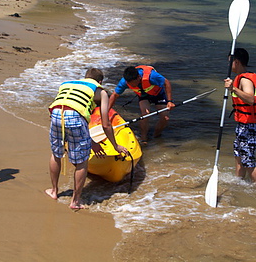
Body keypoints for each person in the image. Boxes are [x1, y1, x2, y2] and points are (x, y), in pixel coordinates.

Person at [45, 68, 127, 210]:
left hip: (56, 113)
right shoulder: (100, 91)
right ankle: (75, 201)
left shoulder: (68, 84)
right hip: (75, 116)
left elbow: (66, 104)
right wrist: (116, 146)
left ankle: (54, 191)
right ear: (100, 81)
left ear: (85, 77)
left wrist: (90, 140)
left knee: (56, 154)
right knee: (81, 162)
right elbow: (106, 124)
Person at [224, 48, 256, 187]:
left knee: (248, 162)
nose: (229, 66)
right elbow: (253, 104)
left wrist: (233, 89)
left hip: (249, 127)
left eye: (230, 62)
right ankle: (238, 185)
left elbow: (250, 99)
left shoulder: (245, 79)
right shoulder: (244, 77)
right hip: (245, 124)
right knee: (239, 157)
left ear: (236, 62)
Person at [109, 65, 175, 143]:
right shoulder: (124, 81)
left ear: (138, 78)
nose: (130, 85)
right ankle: (144, 138)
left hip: (158, 94)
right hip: (143, 96)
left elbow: (166, 83)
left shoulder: (152, 76)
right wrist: (106, 110)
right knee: (145, 114)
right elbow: (115, 95)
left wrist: (170, 101)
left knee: (165, 117)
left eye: (132, 83)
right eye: (128, 83)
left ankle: (156, 136)